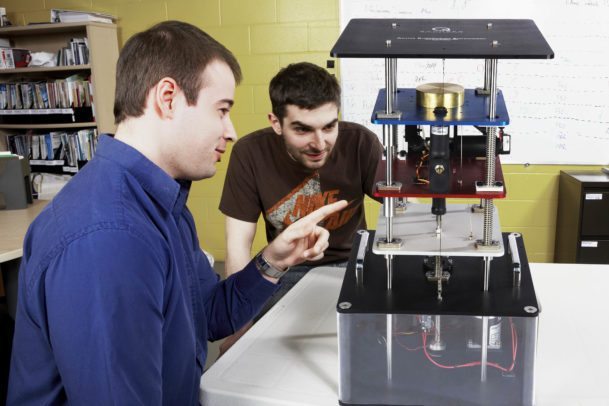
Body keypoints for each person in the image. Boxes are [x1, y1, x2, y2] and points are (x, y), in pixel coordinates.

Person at [7, 21, 346, 405]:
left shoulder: (163, 204)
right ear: (167, 98)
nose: (231, 131)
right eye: (222, 110)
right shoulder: (109, 237)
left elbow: (210, 315)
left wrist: (273, 260)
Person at [218, 62, 383, 334]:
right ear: (276, 123)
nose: (319, 144)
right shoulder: (249, 154)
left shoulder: (361, 142)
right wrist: (239, 328)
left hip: (352, 265)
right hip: (286, 269)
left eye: (329, 127)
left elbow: (404, 211)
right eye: (303, 130)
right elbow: (237, 247)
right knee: (263, 344)